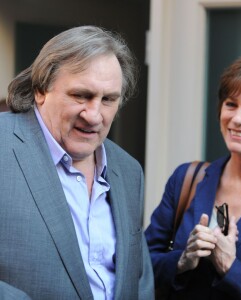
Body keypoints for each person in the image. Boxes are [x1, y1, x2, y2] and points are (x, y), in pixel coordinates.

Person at [0, 25, 154, 300]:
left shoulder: (128, 171)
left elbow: (140, 281)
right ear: (41, 90)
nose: (94, 115)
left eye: (108, 99)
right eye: (81, 95)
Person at [145, 50, 241, 299]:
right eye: (231, 104)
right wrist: (183, 260)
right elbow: (141, 266)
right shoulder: (187, 178)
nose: (237, 119)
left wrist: (230, 267)